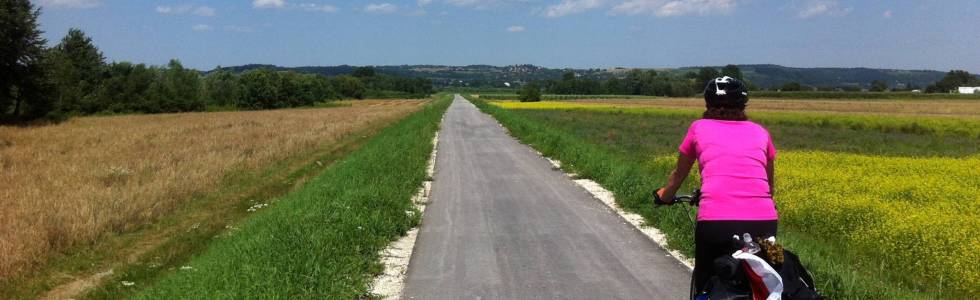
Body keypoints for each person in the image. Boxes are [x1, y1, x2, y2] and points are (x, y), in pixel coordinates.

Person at [656, 76, 779, 298]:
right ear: (743, 104)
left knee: (706, 280)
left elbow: (678, 175)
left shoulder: (698, 127)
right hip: (765, 223)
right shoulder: (761, 131)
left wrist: (665, 196)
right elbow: (769, 187)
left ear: (708, 103)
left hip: (716, 224)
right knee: (774, 274)